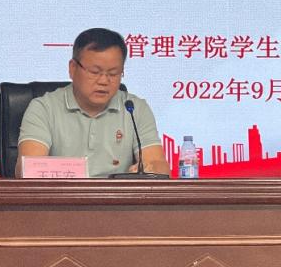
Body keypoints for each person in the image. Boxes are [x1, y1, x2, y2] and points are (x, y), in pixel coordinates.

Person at [16, 28, 171, 178]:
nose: (104, 81)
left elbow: (160, 166)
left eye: (113, 73)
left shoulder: (134, 109)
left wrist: (150, 169)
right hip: (62, 195)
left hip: (117, 196)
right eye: (95, 72)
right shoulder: (44, 108)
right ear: (72, 68)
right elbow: (28, 169)